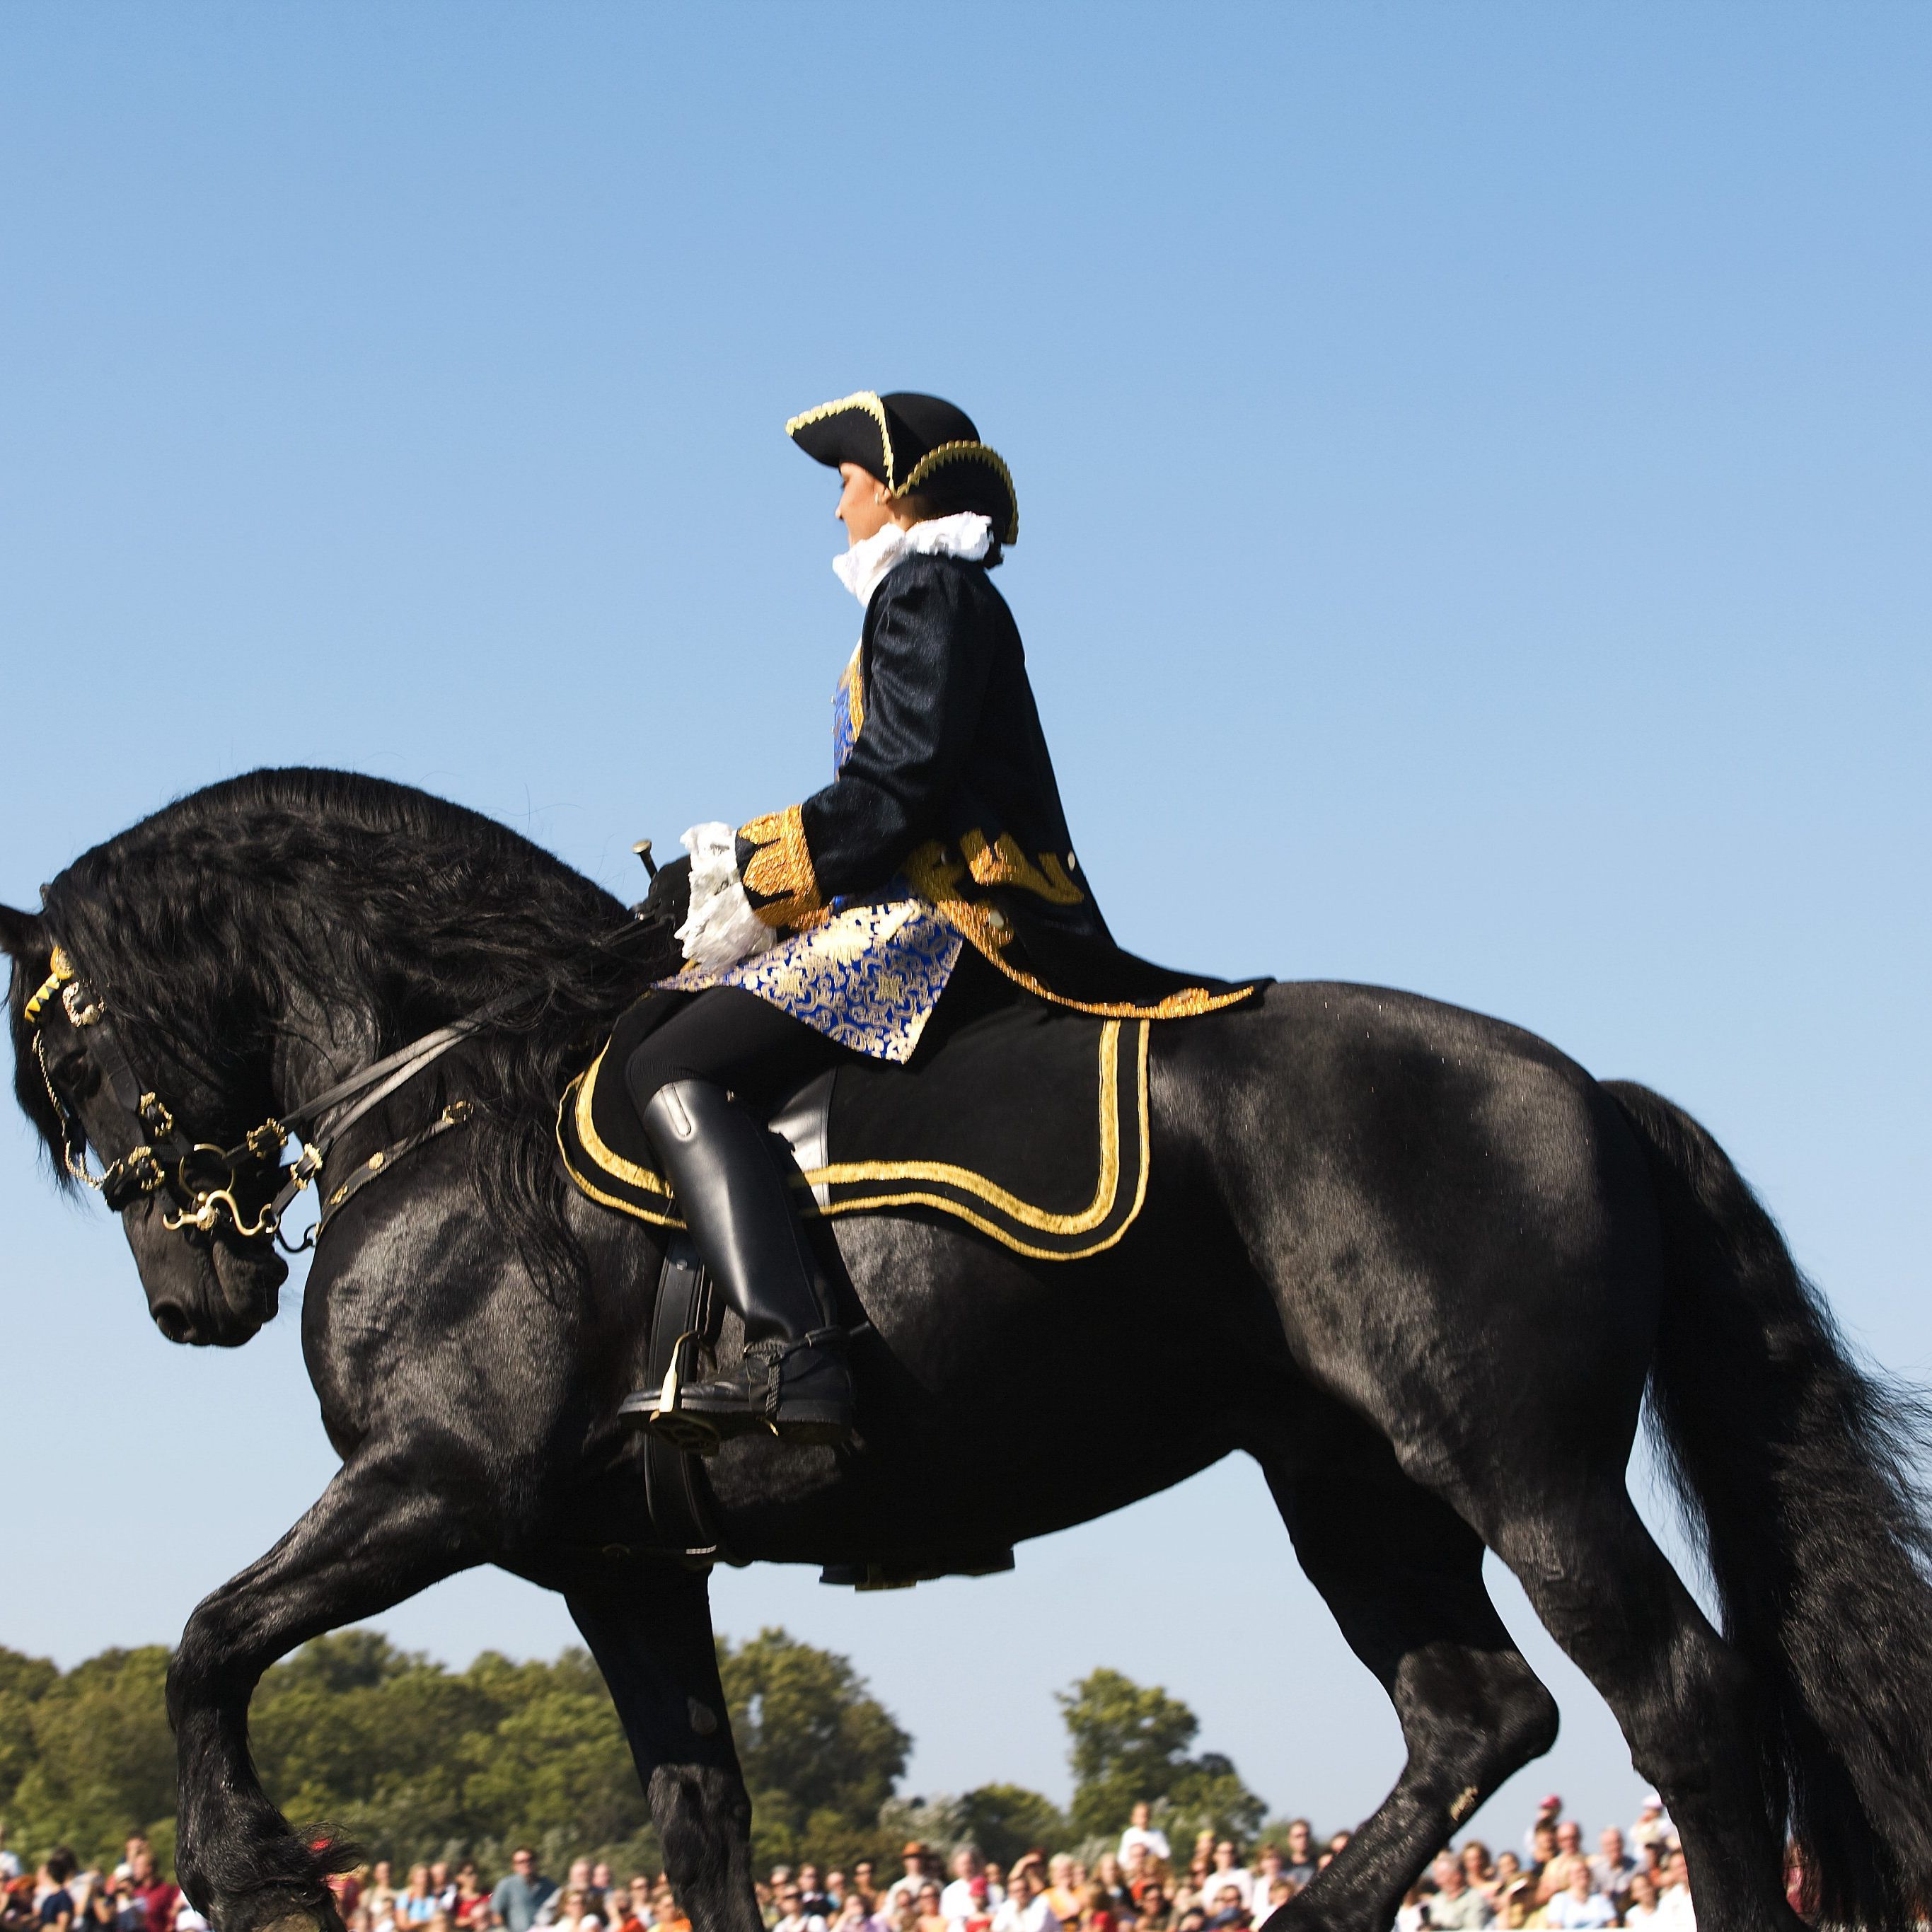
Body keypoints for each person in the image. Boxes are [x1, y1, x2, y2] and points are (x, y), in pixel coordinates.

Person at [619, 390, 1261, 1447]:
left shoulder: (924, 589)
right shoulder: (921, 596)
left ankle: (797, 1349)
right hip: (909, 905)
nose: (836, 508)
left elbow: (896, 787)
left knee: (667, 1062)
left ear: (894, 488)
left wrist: (746, 864)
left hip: (945, 922)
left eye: (846, 484)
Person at [1422, 1854, 1492, 1928]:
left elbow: (1475, 1929)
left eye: (1441, 1876)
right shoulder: (1436, 1901)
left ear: (1457, 1876)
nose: (1437, 1882)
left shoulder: (1475, 1899)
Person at [492, 1852, 557, 1932]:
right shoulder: (507, 1885)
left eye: (530, 1860)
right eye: (521, 1862)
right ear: (514, 1866)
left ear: (536, 1862)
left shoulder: (548, 1885)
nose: (527, 1864)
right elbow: (496, 1914)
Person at [1544, 1866, 1614, 1930]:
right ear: (1568, 1876)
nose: (1583, 1874)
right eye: (1578, 1872)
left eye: (1586, 1871)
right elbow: (1556, 1927)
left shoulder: (1601, 1899)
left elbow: (1612, 1924)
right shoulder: (1559, 1899)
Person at [1119, 1808, 1172, 1872]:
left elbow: (1165, 1855)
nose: (1143, 1819)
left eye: (1145, 1816)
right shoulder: (1129, 1834)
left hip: (1153, 1869)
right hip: (1133, 1870)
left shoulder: (1158, 1834)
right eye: (1140, 1816)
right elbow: (1122, 1859)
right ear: (1134, 1818)